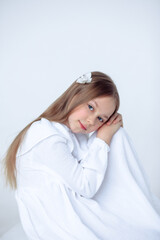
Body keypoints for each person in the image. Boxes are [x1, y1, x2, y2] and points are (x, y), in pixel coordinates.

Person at [3, 71, 160, 240]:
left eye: (101, 118)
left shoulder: (71, 133)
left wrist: (108, 133)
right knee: (109, 138)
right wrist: (104, 137)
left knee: (117, 136)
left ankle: (135, 204)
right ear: (75, 96)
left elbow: (93, 164)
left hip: (72, 205)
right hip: (59, 218)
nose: (92, 121)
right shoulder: (46, 135)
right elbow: (86, 187)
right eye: (91, 107)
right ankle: (137, 206)